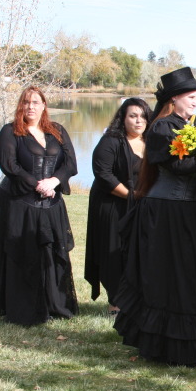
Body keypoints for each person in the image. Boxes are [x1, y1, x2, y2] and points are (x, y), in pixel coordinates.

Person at [113, 67, 196, 367]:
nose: (195, 101)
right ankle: (170, 343)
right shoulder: (161, 128)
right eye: (190, 96)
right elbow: (177, 167)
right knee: (175, 276)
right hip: (169, 211)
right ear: (173, 99)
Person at [0, 86, 79, 326]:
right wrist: (38, 185)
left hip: (52, 202)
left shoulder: (57, 130)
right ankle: (24, 308)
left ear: (44, 105)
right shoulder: (10, 132)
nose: (30, 107)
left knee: (53, 253)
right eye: (26, 102)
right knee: (24, 254)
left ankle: (55, 305)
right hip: (20, 202)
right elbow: (10, 166)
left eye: (36, 102)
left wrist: (54, 181)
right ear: (20, 106)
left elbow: (70, 164)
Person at [84, 97, 151, 316]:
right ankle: (115, 304)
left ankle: (136, 299)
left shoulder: (151, 142)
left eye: (142, 116)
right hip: (112, 204)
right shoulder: (111, 141)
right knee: (113, 253)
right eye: (133, 116)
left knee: (137, 252)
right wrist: (131, 195)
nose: (138, 121)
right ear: (122, 119)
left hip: (139, 205)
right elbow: (103, 174)